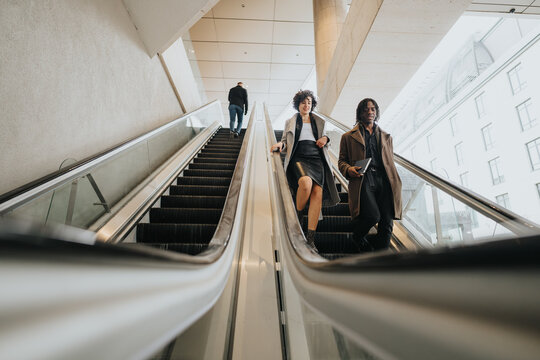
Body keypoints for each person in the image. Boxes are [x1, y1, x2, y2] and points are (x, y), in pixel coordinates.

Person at [271, 90, 340, 252]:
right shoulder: (291, 121)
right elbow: (284, 141)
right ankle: (298, 214)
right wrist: (280, 145)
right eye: (303, 102)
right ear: (298, 104)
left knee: (317, 194)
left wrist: (326, 139)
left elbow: (327, 138)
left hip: (317, 159)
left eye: (309, 102)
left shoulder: (319, 121)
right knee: (305, 183)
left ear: (312, 104)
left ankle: (310, 239)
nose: (306, 105)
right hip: (299, 156)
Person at [338, 98, 402, 251]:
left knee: (387, 222)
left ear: (376, 112)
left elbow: (389, 162)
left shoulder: (387, 137)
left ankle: (381, 260)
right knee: (373, 216)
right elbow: (341, 162)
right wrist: (348, 169)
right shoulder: (348, 137)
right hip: (363, 180)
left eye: (373, 109)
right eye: (366, 109)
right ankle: (357, 237)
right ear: (360, 113)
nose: (370, 112)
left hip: (385, 180)